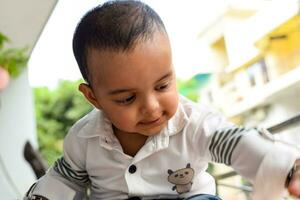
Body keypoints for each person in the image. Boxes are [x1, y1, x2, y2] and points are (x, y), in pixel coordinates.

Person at [24, 1, 300, 199]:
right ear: (93, 97)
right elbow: (64, 177)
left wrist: (289, 168)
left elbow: (238, 143)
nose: (152, 107)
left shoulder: (194, 124)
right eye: (128, 98)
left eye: (163, 85)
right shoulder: (84, 138)